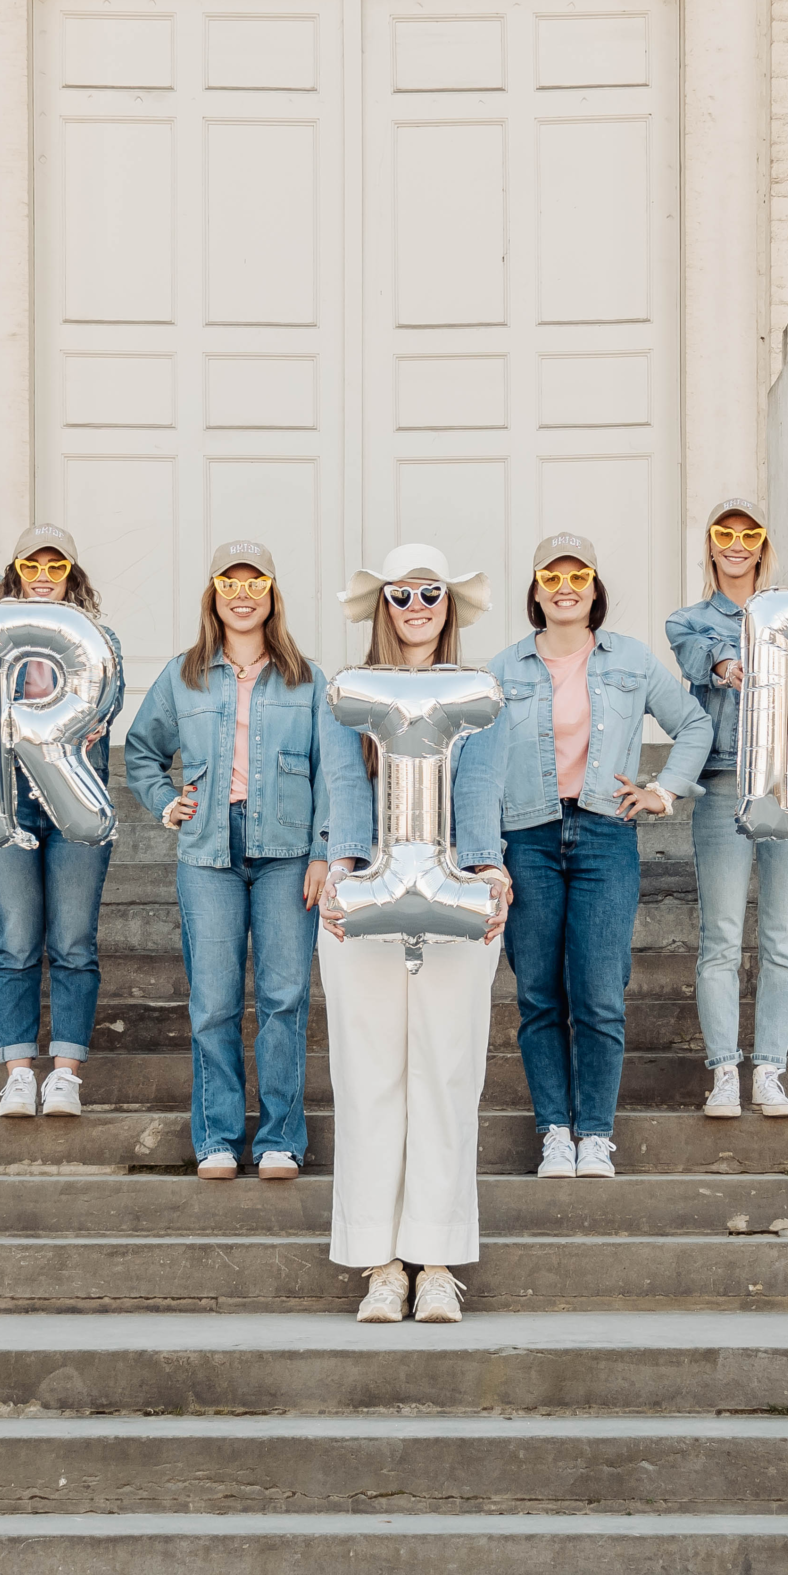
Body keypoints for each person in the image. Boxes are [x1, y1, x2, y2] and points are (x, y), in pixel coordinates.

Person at [318, 546, 508, 1323]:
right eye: (402, 594)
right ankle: (380, 1265)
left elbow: (484, 785)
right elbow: (339, 783)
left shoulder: (481, 692)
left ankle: (435, 1262)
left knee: (447, 1072)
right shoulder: (343, 693)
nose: (418, 605)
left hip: (455, 893)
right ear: (383, 607)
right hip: (364, 894)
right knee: (369, 1079)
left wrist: (491, 867)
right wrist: (338, 865)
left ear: (448, 603)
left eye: (431, 592)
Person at [490, 534, 711, 1179]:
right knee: (538, 993)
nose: (565, 588)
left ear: (594, 588)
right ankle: (554, 1132)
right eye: (551, 578)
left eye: (577, 576)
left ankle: (595, 1135)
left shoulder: (632, 660)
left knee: (600, 993)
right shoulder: (503, 670)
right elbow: (473, 761)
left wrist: (663, 791)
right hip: (525, 838)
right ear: (535, 591)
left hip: (604, 836)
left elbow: (695, 724)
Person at [124, 541, 330, 1181]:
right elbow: (140, 752)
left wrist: (324, 853)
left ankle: (279, 1141)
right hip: (209, 851)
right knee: (212, 1001)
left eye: (255, 582)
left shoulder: (307, 678)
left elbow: (334, 773)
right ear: (214, 594)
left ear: (272, 594)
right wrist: (166, 802)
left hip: (288, 854)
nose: (242, 595)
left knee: (283, 997)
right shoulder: (183, 674)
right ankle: (215, 1139)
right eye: (229, 583)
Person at [666, 497, 788, 1120]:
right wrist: (729, 661)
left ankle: (771, 1072)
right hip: (726, 783)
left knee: (784, 938)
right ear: (709, 544)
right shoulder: (688, 619)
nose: (736, 542)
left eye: (748, 532)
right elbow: (698, 658)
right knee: (722, 938)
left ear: (763, 543)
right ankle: (724, 1071)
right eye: (723, 533)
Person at [0, 524, 125, 1119]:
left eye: (56, 568)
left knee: (72, 941)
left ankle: (65, 1072)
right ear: (15, 574)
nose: (44, 577)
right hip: (7, 800)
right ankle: (18, 1072)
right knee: (15, 940)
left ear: (72, 577)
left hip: (74, 803)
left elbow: (104, 710)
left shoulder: (100, 640)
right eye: (32, 567)